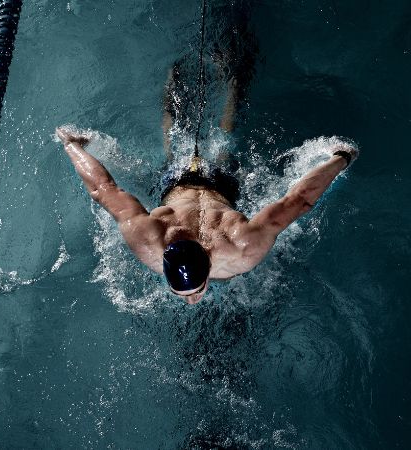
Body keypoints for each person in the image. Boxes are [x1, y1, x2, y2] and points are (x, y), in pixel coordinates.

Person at [57, 8, 358, 304]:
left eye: (194, 291)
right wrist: (72, 144)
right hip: (177, 182)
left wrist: (341, 157)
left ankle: (212, 76)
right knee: (179, 136)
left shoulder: (242, 248)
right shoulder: (154, 239)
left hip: (220, 183)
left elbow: (299, 202)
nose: (191, 302)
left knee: (216, 134)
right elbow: (102, 190)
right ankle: (191, 71)